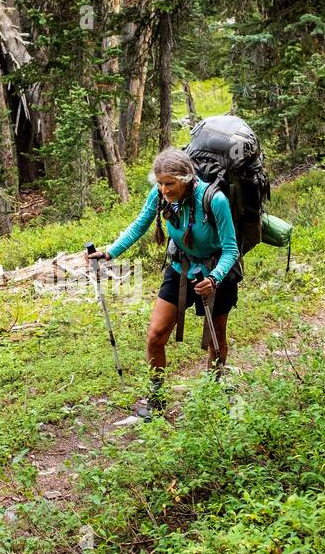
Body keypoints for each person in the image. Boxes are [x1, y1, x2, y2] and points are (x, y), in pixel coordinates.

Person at [88, 147, 240, 419]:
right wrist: (111, 251)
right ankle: (156, 397)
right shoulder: (159, 195)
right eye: (159, 183)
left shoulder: (214, 200)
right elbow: (139, 225)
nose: (164, 189)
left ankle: (212, 390)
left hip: (217, 272)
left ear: (186, 178)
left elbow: (231, 249)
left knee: (216, 339)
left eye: (169, 184)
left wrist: (215, 279)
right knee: (155, 335)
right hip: (179, 268)